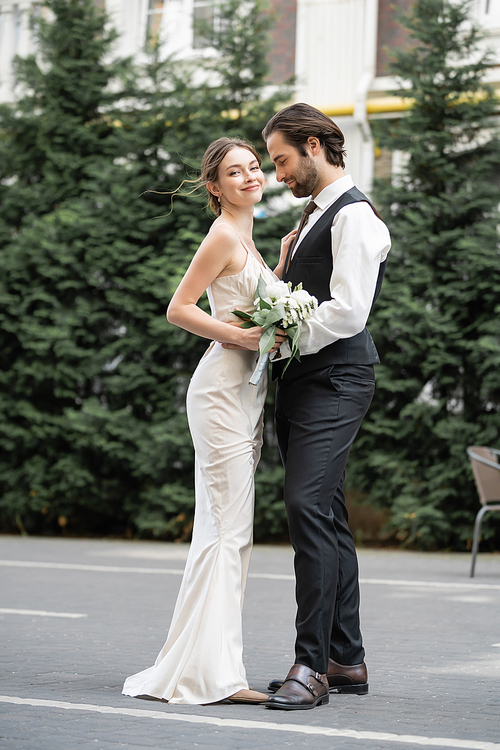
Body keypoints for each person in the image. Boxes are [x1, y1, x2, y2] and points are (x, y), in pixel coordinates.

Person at [122, 137, 293, 705]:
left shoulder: (248, 237)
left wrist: (283, 272)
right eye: (234, 172)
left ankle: (207, 665)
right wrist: (241, 335)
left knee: (229, 533)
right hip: (221, 391)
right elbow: (180, 307)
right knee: (227, 530)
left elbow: (254, 295)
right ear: (215, 188)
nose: (250, 176)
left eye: (254, 167)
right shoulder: (222, 234)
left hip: (244, 396)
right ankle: (214, 677)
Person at [262, 103, 391, 710]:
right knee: (329, 514)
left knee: (306, 505)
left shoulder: (355, 216)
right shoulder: (313, 219)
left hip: (336, 378)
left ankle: (310, 666)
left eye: (282, 160)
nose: (277, 175)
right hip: (306, 381)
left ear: (314, 145)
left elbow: (348, 311)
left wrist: (289, 335)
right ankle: (347, 658)